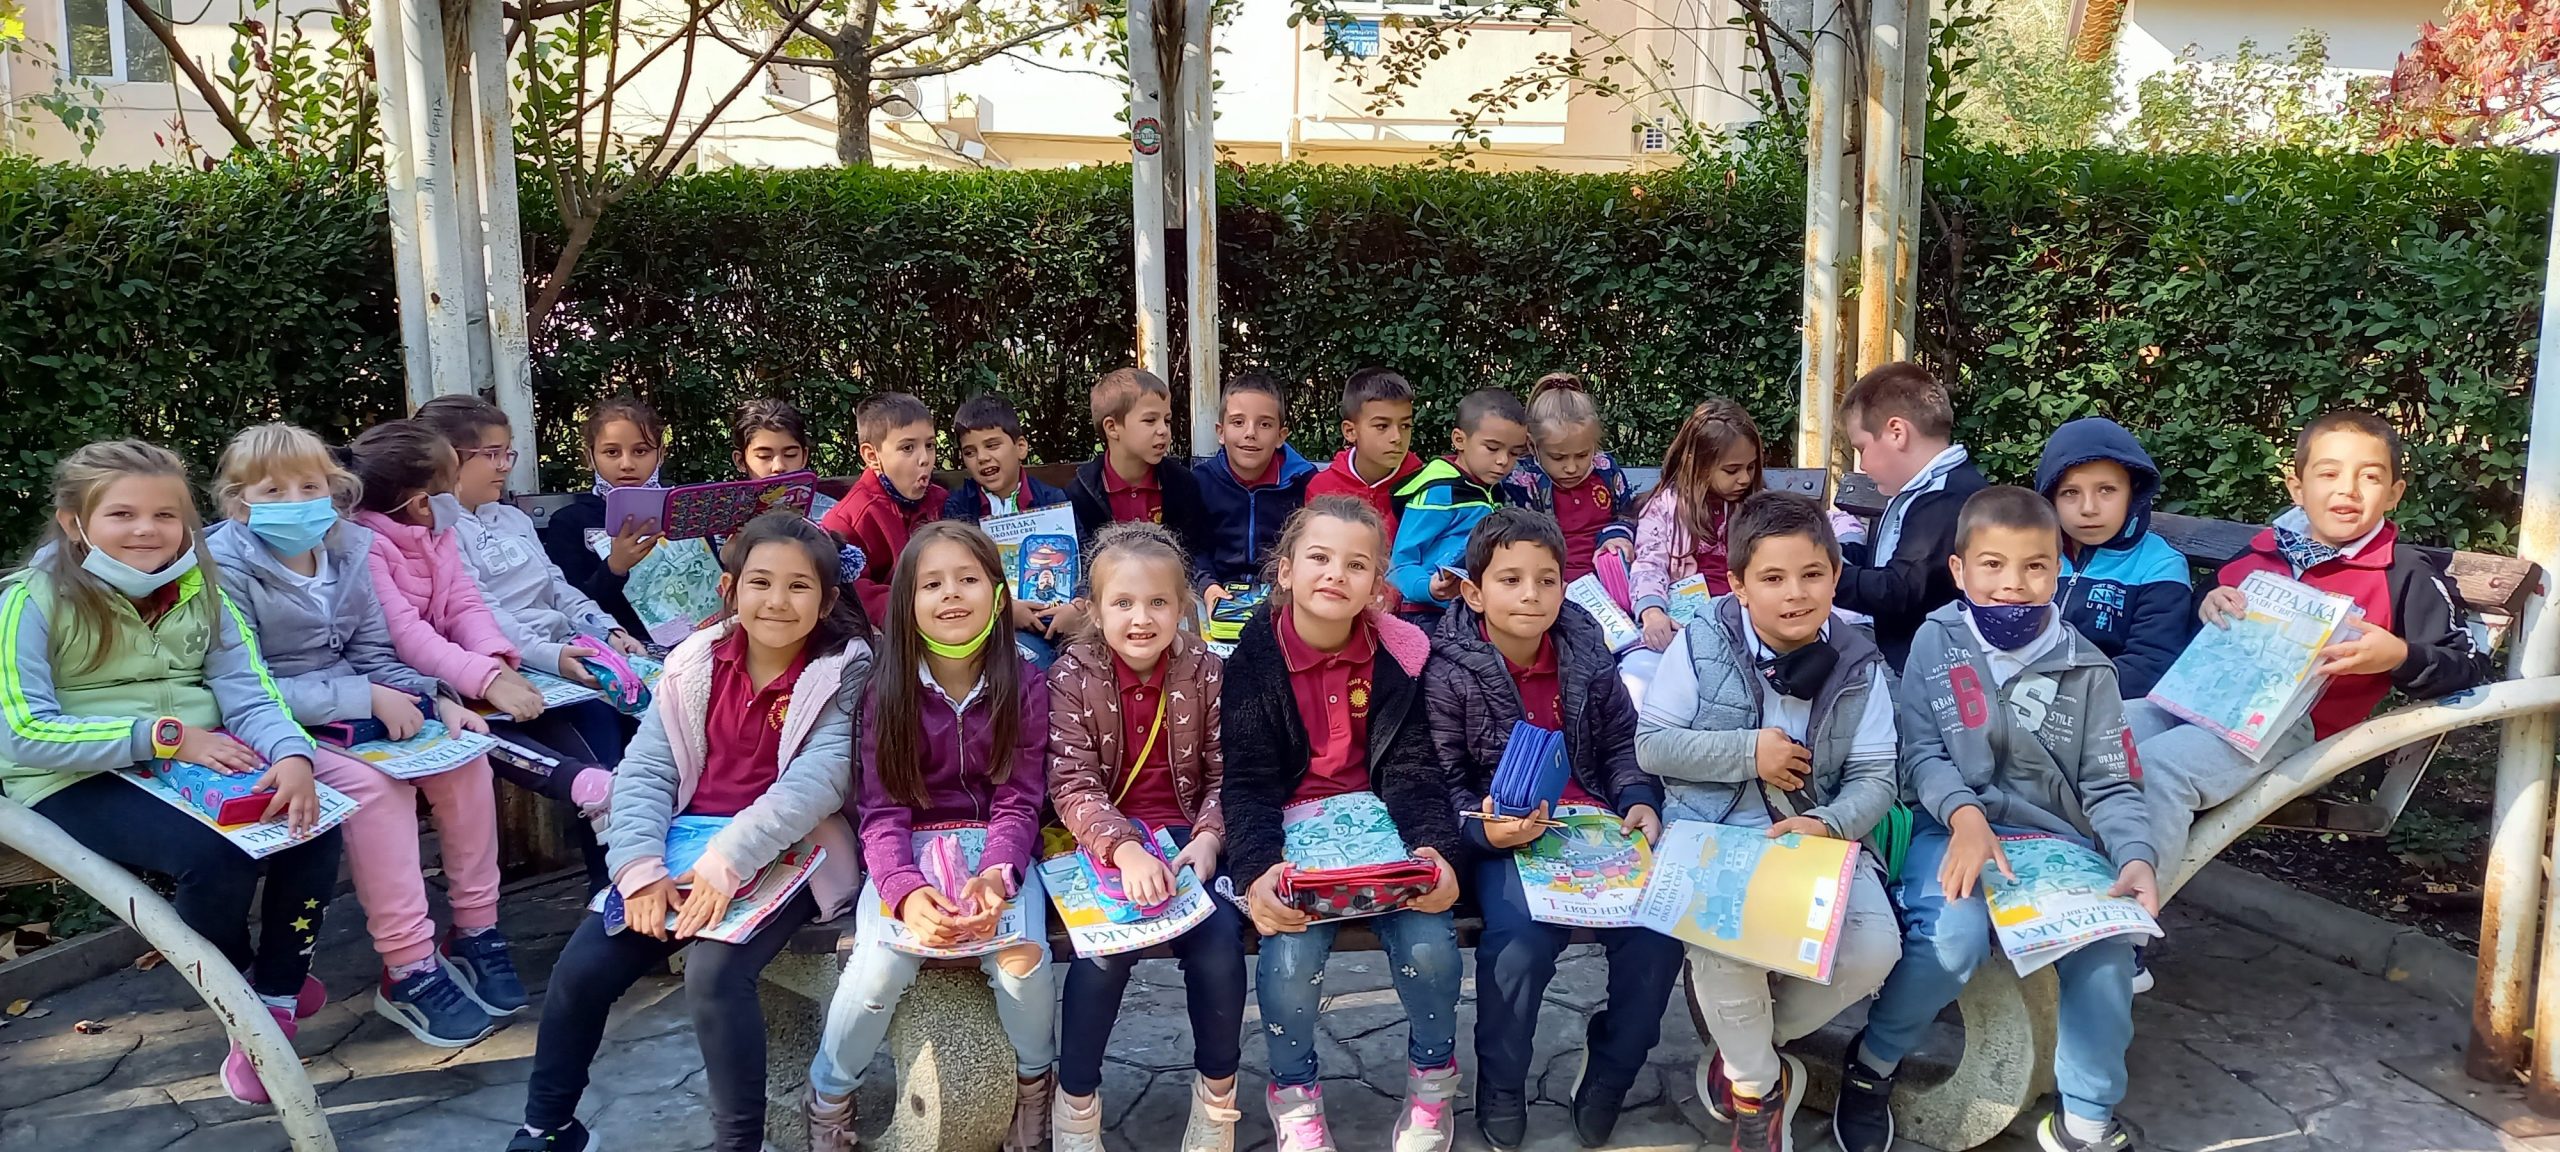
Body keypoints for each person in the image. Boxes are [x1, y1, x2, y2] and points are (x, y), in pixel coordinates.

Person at [507, 514, 873, 1152]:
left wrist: (725, 862)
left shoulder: (844, 668)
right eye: (760, 582)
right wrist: (638, 869)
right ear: (730, 588)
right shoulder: (694, 661)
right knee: (581, 970)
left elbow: (817, 782)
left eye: (798, 586)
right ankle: (549, 1126)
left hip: (792, 847)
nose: (777, 601)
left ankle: (738, 1143)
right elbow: (647, 770)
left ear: (826, 601)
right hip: (681, 844)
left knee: (714, 974)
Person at [0, 439, 340, 1106]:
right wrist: (165, 737)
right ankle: (243, 1006)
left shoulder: (202, 589)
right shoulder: (28, 600)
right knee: (212, 859)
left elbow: (251, 691)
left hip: (196, 757)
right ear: (74, 523)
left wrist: (293, 756)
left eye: (165, 515)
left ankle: (272, 998)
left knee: (312, 824)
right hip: (71, 776)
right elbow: (22, 730)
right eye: (121, 514)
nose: (146, 530)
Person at [1832, 487, 2156, 1152]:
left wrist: (2134, 855)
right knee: (1952, 938)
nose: (2013, 584)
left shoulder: (2087, 669)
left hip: (2053, 844)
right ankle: (1872, 1063)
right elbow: (1919, 751)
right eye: (1992, 565)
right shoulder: (1936, 641)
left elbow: (2111, 781)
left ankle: (2085, 1120)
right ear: (1959, 571)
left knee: (2107, 952)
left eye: (2034, 566)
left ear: (2058, 569)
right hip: (1944, 829)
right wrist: (1965, 816)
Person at [207, 423, 520, 1050]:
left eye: (309, 486)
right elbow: (243, 681)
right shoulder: (220, 566)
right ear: (240, 502)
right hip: (272, 725)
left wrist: (436, 700)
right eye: (273, 491)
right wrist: (364, 697)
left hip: (358, 707)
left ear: (334, 488)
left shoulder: (350, 546)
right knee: (375, 790)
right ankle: (409, 967)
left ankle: (476, 930)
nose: (296, 502)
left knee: (465, 760)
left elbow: (374, 651)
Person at [1632, 491, 1904, 1152]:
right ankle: (1759, 1091)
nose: (1795, 594)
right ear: (1738, 584)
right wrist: (1748, 753)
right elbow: (1653, 747)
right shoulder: (1700, 642)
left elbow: (1877, 777)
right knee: (1722, 940)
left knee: (1875, 951)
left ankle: (1747, 1045)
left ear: (1836, 577)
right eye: (1773, 578)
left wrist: (1829, 825)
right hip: (1715, 832)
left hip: (1817, 837)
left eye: (1812, 575)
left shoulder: (1860, 664)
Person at [2133, 411, 2493, 905]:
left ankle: (2125, 926)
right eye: (2328, 473)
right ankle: (2068, 885)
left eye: (2370, 477)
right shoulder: (2262, 554)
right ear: (2297, 488)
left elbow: (2468, 666)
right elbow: (2204, 620)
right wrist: (2208, 604)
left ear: (2394, 493)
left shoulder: (2404, 572)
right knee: (2097, 732)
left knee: (2159, 769)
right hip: (2203, 700)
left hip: (2292, 730)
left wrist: (2397, 655)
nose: (2348, 489)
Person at [1423, 508, 1679, 1151]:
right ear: (1474, 592)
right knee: (1520, 943)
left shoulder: (1586, 651)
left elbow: (1621, 744)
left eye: (1546, 580)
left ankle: (1612, 1072)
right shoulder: (1447, 668)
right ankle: (1502, 1085)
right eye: (1510, 580)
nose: (1531, 595)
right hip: (1503, 838)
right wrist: (1483, 831)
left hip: (1594, 827)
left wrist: (1639, 799)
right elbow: (1440, 778)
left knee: (1659, 932)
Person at [1220, 496, 1466, 1152]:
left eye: (1356, 564)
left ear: (1377, 585)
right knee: (1289, 955)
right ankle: (1294, 1094)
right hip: (1294, 840)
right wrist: (1256, 872)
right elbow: (1247, 783)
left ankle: (1433, 1082)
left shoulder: (1399, 659)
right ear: (1286, 570)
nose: (1335, 574)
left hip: (1383, 835)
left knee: (1429, 943)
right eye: (1320, 558)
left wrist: (1437, 853)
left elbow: (1414, 769)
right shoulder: (1253, 663)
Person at [805, 522, 1056, 1152]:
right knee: (876, 971)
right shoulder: (886, 689)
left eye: (968, 579)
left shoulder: (1025, 682)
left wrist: (998, 874)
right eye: (932, 583)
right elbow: (881, 810)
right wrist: (904, 890)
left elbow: (1019, 797)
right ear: (906, 602)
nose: (951, 594)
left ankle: (1034, 1087)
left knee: (1024, 963)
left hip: (995, 851)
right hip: (911, 852)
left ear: (998, 593)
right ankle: (829, 1095)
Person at [1045, 524, 1245, 1152]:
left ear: (1182, 605)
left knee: (1219, 946)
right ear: (1094, 609)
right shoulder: (1070, 676)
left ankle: (1217, 1100)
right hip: (1105, 842)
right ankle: (1076, 1105)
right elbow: (1071, 782)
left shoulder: (1207, 671)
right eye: (1123, 603)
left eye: (1158, 602)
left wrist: (1210, 838)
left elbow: (1228, 772)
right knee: (1102, 958)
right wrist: (1124, 848)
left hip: (1186, 838)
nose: (1141, 618)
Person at [416, 395, 643, 892]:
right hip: (511, 671)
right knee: (602, 747)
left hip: (570, 653)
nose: (504, 466)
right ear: (449, 458)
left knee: (658, 714)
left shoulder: (511, 519)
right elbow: (481, 615)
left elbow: (558, 589)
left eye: (507, 453)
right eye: (492, 454)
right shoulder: (440, 531)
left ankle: (649, 870)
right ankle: (613, 887)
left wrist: (607, 629)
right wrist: (554, 657)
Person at [1833, 362, 1988, 671]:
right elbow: (1882, 564)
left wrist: (1823, 577)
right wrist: (1828, 554)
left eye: (1862, 448)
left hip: (1930, 673)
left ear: (1896, 433)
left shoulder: (1946, 500)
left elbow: (1899, 590)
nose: (1862, 466)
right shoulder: (1921, 491)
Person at [2034, 417, 2195, 699]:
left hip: (2113, 707)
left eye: (2106, 490)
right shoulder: (2032, 555)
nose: (2088, 508)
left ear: (2133, 494)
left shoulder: (2160, 566)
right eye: (2070, 492)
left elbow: (2150, 664)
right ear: (2050, 500)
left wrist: (2060, 695)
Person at [943, 392, 1082, 664]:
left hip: (1061, 618)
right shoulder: (960, 508)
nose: (982, 458)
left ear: (1020, 447)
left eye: (992, 445)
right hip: (994, 624)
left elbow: (1083, 558)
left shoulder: (1052, 500)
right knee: (1026, 661)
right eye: (970, 452)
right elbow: (957, 571)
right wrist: (1004, 609)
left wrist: (1078, 606)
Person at [1388, 388, 1528, 622]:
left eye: (1514, 453)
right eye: (1492, 448)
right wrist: (1428, 588)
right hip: (1429, 614)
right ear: (1459, 440)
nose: (1503, 461)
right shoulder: (1438, 491)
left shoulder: (1493, 487)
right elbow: (1399, 566)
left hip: (1478, 609)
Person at [537, 397, 668, 639]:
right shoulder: (570, 522)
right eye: (611, 452)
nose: (627, 464)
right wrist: (614, 567)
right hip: (612, 646)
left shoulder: (683, 508)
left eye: (640, 451)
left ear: (661, 454)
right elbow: (570, 608)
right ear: (590, 457)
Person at [818, 392, 949, 624]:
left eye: (930, 445)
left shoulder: (940, 500)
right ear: (872, 455)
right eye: (907, 448)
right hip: (896, 625)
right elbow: (852, 591)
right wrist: (914, 609)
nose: (924, 459)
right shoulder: (848, 519)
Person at [1068, 367, 1214, 569]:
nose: (1163, 430)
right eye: (1150, 420)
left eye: (1167, 420)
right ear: (1112, 427)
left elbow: (1195, 553)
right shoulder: (1081, 493)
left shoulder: (1181, 484)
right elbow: (1081, 564)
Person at [1499, 373, 1638, 584]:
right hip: (1549, 580)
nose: (1572, 468)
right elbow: (1519, 543)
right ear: (1532, 445)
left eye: (1583, 455)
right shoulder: (1521, 480)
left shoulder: (1605, 468)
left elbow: (1626, 514)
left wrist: (1617, 536)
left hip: (1611, 578)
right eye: (1558, 457)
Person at [1195, 372, 1317, 609]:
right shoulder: (1200, 482)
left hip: (1285, 597)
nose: (1250, 433)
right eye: (1238, 422)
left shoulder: (1303, 482)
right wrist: (1208, 586)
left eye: (1265, 424)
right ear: (1221, 432)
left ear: (1281, 436)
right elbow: (1193, 549)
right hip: (1211, 593)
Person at [1304, 367, 1423, 538]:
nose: (1397, 437)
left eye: (1405, 426)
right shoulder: (1322, 488)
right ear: (1350, 431)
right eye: (1382, 426)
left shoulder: (1423, 485)